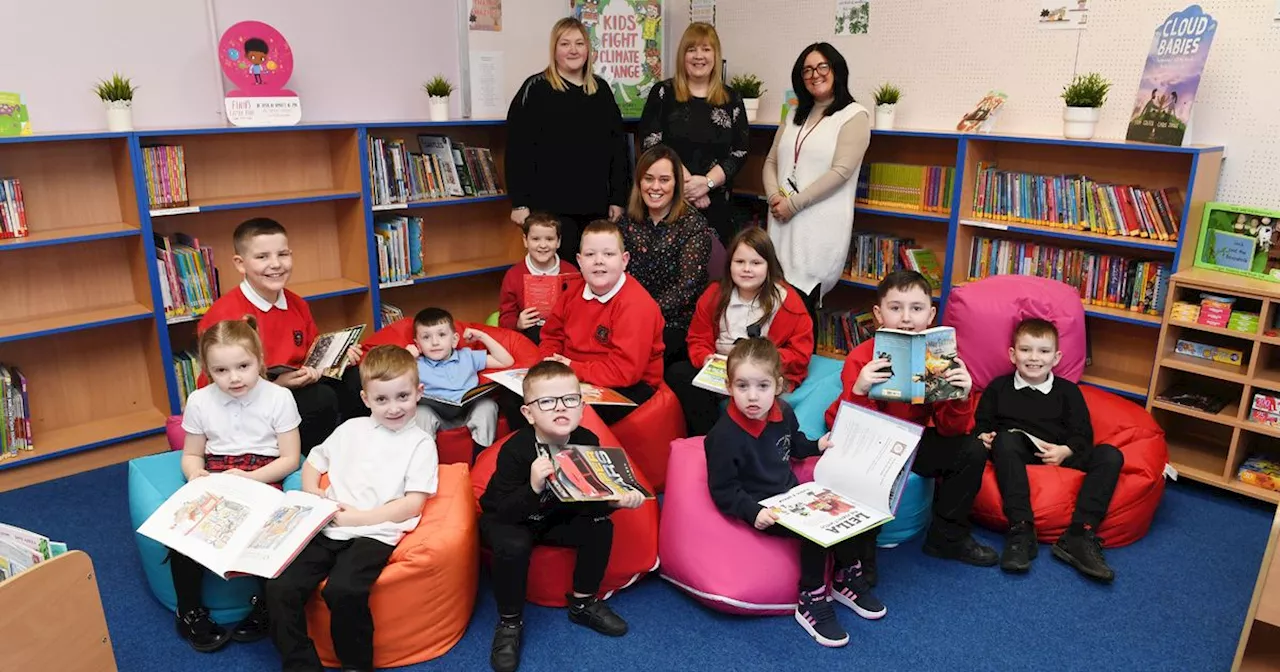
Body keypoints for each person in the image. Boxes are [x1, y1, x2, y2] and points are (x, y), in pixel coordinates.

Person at [265, 345, 439, 672]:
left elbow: (413, 503)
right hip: (328, 525)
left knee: (344, 590)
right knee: (279, 587)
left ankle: (356, 665)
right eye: (381, 399)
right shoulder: (350, 429)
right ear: (365, 398)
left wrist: (358, 518)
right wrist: (314, 493)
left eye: (403, 396)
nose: (393, 408)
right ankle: (301, 665)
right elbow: (313, 463)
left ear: (419, 392)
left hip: (375, 532)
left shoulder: (421, 443)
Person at [706, 338, 882, 648]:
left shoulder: (782, 411)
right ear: (728, 386)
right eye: (742, 386)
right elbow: (723, 491)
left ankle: (845, 577)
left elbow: (795, 443)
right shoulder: (723, 436)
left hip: (791, 495)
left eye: (762, 386)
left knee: (845, 509)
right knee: (813, 532)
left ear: (778, 386)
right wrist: (752, 511)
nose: (752, 396)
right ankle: (811, 597)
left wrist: (817, 445)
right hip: (762, 506)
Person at [825, 270, 996, 578]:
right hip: (872, 442)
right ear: (878, 314)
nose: (906, 318)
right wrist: (860, 389)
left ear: (930, 315)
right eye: (895, 308)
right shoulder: (861, 358)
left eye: (916, 309)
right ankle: (860, 560)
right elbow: (853, 428)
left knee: (971, 449)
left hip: (914, 439)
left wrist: (960, 397)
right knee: (861, 472)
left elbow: (950, 430)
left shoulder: (941, 357)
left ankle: (947, 537)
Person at [480, 360, 645, 672]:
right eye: (546, 402)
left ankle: (583, 602)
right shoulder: (516, 449)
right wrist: (532, 487)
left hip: (555, 515)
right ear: (528, 413)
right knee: (513, 543)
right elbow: (502, 510)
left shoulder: (587, 441)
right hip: (509, 518)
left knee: (600, 525)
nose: (561, 408)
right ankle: (510, 622)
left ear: (582, 406)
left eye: (570, 399)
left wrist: (616, 502)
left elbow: (589, 504)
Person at [170, 317, 302, 652]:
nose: (234, 378)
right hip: (216, 473)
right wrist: (195, 475)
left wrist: (250, 478)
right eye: (221, 371)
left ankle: (265, 606)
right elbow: (191, 454)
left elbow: (290, 459)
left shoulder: (279, 397)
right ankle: (189, 611)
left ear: (260, 358)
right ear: (207, 369)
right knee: (183, 534)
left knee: (265, 534)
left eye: (243, 366)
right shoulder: (200, 400)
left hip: (263, 471)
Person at [197, 217, 362, 454]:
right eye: (262, 257)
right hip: (244, 399)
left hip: (295, 384)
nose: (275, 264)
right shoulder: (224, 316)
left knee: (357, 377)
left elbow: (310, 353)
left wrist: (337, 359)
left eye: (282, 254)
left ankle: (358, 449)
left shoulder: (297, 304)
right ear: (240, 264)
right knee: (320, 399)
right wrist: (276, 385)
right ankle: (311, 462)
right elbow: (216, 383)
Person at [976, 318, 1123, 582]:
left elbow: (1083, 434)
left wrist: (1066, 450)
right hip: (1016, 449)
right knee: (1005, 441)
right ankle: (1021, 528)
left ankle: (1079, 534)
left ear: (1056, 358)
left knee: (1111, 455)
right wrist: (983, 436)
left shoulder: (1068, 392)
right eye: (1026, 350)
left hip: (1058, 452)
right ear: (1012, 354)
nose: (1034, 358)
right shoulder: (998, 388)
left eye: (1043, 352)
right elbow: (982, 424)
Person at [666, 227, 813, 436]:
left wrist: (761, 362)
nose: (747, 269)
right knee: (678, 372)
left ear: (769, 266)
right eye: (740, 262)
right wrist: (704, 358)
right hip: (723, 369)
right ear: (730, 265)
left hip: (764, 371)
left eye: (756, 263)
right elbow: (697, 337)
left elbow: (800, 353)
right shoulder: (714, 294)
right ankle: (709, 436)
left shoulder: (788, 301)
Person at [763, 43, 871, 324]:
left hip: (817, 228)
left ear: (836, 70)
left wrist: (793, 204)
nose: (815, 74)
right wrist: (775, 197)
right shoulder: (794, 115)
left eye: (822, 66)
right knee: (774, 306)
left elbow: (841, 172)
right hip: (781, 219)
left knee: (800, 309)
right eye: (807, 69)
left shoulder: (853, 115)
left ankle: (797, 368)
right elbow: (771, 162)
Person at [506, 17, 629, 262]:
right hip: (549, 211)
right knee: (558, 277)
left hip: (595, 207)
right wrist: (519, 203)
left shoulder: (601, 91)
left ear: (588, 49)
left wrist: (618, 198)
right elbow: (517, 149)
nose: (573, 50)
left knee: (594, 273)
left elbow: (618, 150)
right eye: (565, 44)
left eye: (579, 43)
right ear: (554, 49)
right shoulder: (535, 89)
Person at [539, 220, 665, 425]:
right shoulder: (572, 292)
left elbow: (625, 373)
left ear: (624, 260)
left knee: (572, 414)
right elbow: (551, 335)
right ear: (579, 261)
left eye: (608, 254)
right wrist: (549, 364)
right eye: (590, 255)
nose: (599, 261)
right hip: (573, 375)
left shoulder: (636, 305)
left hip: (628, 384)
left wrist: (572, 369)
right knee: (523, 399)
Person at [637, 22, 750, 244]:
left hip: (716, 205)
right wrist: (688, 186)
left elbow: (740, 150)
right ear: (683, 55)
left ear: (716, 56)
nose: (699, 56)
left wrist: (706, 183)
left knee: (714, 271)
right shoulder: (663, 93)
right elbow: (651, 144)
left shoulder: (732, 99)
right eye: (692, 49)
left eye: (706, 49)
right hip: (668, 202)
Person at [617, 144, 713, 366]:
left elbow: (687, 288)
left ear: (676, 184)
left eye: (664, 180)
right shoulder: (627, 222)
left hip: (674, 323)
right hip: (626, 316)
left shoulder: (693, 225)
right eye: (648, 178)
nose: (655, 187)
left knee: (639, 356)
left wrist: (642, 314)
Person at [409, 308, 514, 453]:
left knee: (488, 406)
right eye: (426, 337)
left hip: (469, 411)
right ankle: (425, 462)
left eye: (441, 335)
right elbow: (389, 376)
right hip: (437, 415)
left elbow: (506, 361)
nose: (434, 342)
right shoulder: (415, 364)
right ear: (418, 344)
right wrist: (406, 356)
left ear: (454, 340)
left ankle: (481, 457)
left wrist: (482, 336)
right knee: (421, 412)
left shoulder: (467, 356)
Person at [498, 212, 578, 345]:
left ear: (558, 242)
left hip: (564, 336)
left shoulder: (571, 272)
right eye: (535, 239)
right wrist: (517, 323)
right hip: (528, 337)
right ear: (525, 240)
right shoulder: (514, 275)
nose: (543, 245)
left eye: (549, 239)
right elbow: (505, 318)